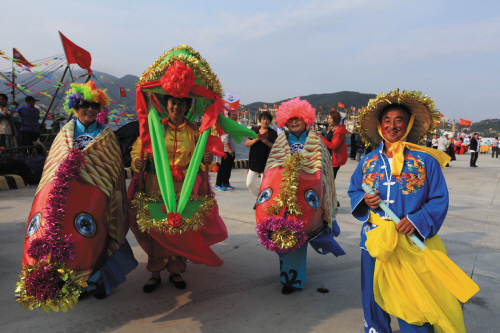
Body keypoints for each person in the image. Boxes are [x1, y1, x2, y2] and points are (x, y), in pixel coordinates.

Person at [349, 90, 465, 333]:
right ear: (380, 126)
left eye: (398, 120)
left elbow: (438, 198)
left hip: (410, 241)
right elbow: (353, 191)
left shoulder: (426, 161)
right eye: (387, 121)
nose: (392, 126)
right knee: (372, 294)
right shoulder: (367, 161)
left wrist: (416, 220)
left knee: (414, 300)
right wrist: (364, 199)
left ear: (409, 123)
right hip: (374, 240)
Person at [128, 46, 235, 294]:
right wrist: (137, 163)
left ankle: (176, 270)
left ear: (187, 107)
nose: (176, 108)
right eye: (172, 103)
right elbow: (138, 151)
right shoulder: (155, 128)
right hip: (155, 185)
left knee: (180, 231)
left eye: (181, 104)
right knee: (156, 231)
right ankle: (155, 272)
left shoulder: (195, 132)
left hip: (183, 190)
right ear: (167, 105)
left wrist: (207, 159)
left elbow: (203, 162)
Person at [19, 81, 136, 307]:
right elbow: (53, 165)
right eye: (84, 105)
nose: (89, 109)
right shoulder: (64, 134)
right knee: (69, 241)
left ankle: (98, 282)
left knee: (97, 236)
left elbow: (112, 169)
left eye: (94, 105)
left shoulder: (107, 136)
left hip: (96, 199)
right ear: (75, 106)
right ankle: (74, 284)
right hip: (65, 201)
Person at [256, 97, 345, 295]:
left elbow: (322, 169)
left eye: (298, 118)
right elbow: (271, 167)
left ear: (306, 119)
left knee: (298, 233)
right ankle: (285, 271)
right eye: (290, 119)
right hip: (282, 196)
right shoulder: (281, 140)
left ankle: (292, 280)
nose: (294, 122)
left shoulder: (316, 141)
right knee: (278, 229)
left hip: (305, 198)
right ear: (284, 122)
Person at [245, 111, 277, 209]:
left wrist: (266, 142)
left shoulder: (273, 133)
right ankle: (258, 198)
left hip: (267, 163)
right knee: (249, 183)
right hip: (254, 162)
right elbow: (246, 143)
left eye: (267, 119)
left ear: (270, 121)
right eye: (263, 119)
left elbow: (276, 147)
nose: (265, 121)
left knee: (265, 186)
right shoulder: (254, 130)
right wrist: (255, 140)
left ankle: (263, 203)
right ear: (260, 120)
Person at [318, 110, 348, 179]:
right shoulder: (331, 129)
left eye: (330, 118)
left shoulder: (339, 132)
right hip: (329, 157)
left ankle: (328, 190)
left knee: (329, 179)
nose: (329, 120)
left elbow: (333, 146)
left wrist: (322, 138)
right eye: (328, 118)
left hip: (335, 159)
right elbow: (327, 142)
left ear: (336, 119)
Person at [215, 109, 238, 190]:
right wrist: (229, 149)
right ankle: (218, 184)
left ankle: (225, 183)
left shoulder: (233, 124)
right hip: (226, 150)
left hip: (232, 150)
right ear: (229, 116)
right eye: (233, 115)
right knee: (223, 167)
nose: (235, 116)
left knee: (228, 167)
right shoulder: (227, 124)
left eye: (235, 114)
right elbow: (225, 137)